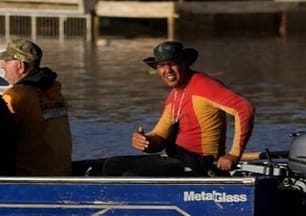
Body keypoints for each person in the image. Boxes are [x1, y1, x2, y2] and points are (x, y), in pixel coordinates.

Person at [100, 41, 254, 177]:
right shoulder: (174, 95)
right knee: (112, 165)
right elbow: (160, 137)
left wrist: (233, 154)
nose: (168, 70)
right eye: (161, 66)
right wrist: (145, 141)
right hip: (176, 160)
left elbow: (244, 108)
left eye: (173, 63)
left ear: (185, 63)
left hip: (201, 165)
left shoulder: (204, 85)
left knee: (131, 176)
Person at [0, 38, 73, 177]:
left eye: (7, 61)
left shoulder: (17, 96)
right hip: (62, 171)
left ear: (20, 66)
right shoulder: (55, 93)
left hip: (30, 174)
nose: (2, 65)